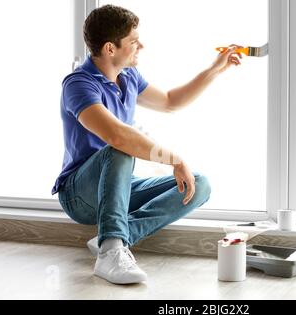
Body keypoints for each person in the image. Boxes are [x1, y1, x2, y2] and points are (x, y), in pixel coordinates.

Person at [51, 4, 243, 285]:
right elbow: (117, 137)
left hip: (118, 188)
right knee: (119, 148)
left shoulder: (128, 77)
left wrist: (214, 70)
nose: (141, 45)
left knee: (197, 185)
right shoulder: (78, 84)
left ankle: (113, 236)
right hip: (80, 195)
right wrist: (174, 159)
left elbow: (169, 102)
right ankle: (111, 252)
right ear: (109, 48)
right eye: (133, 41)